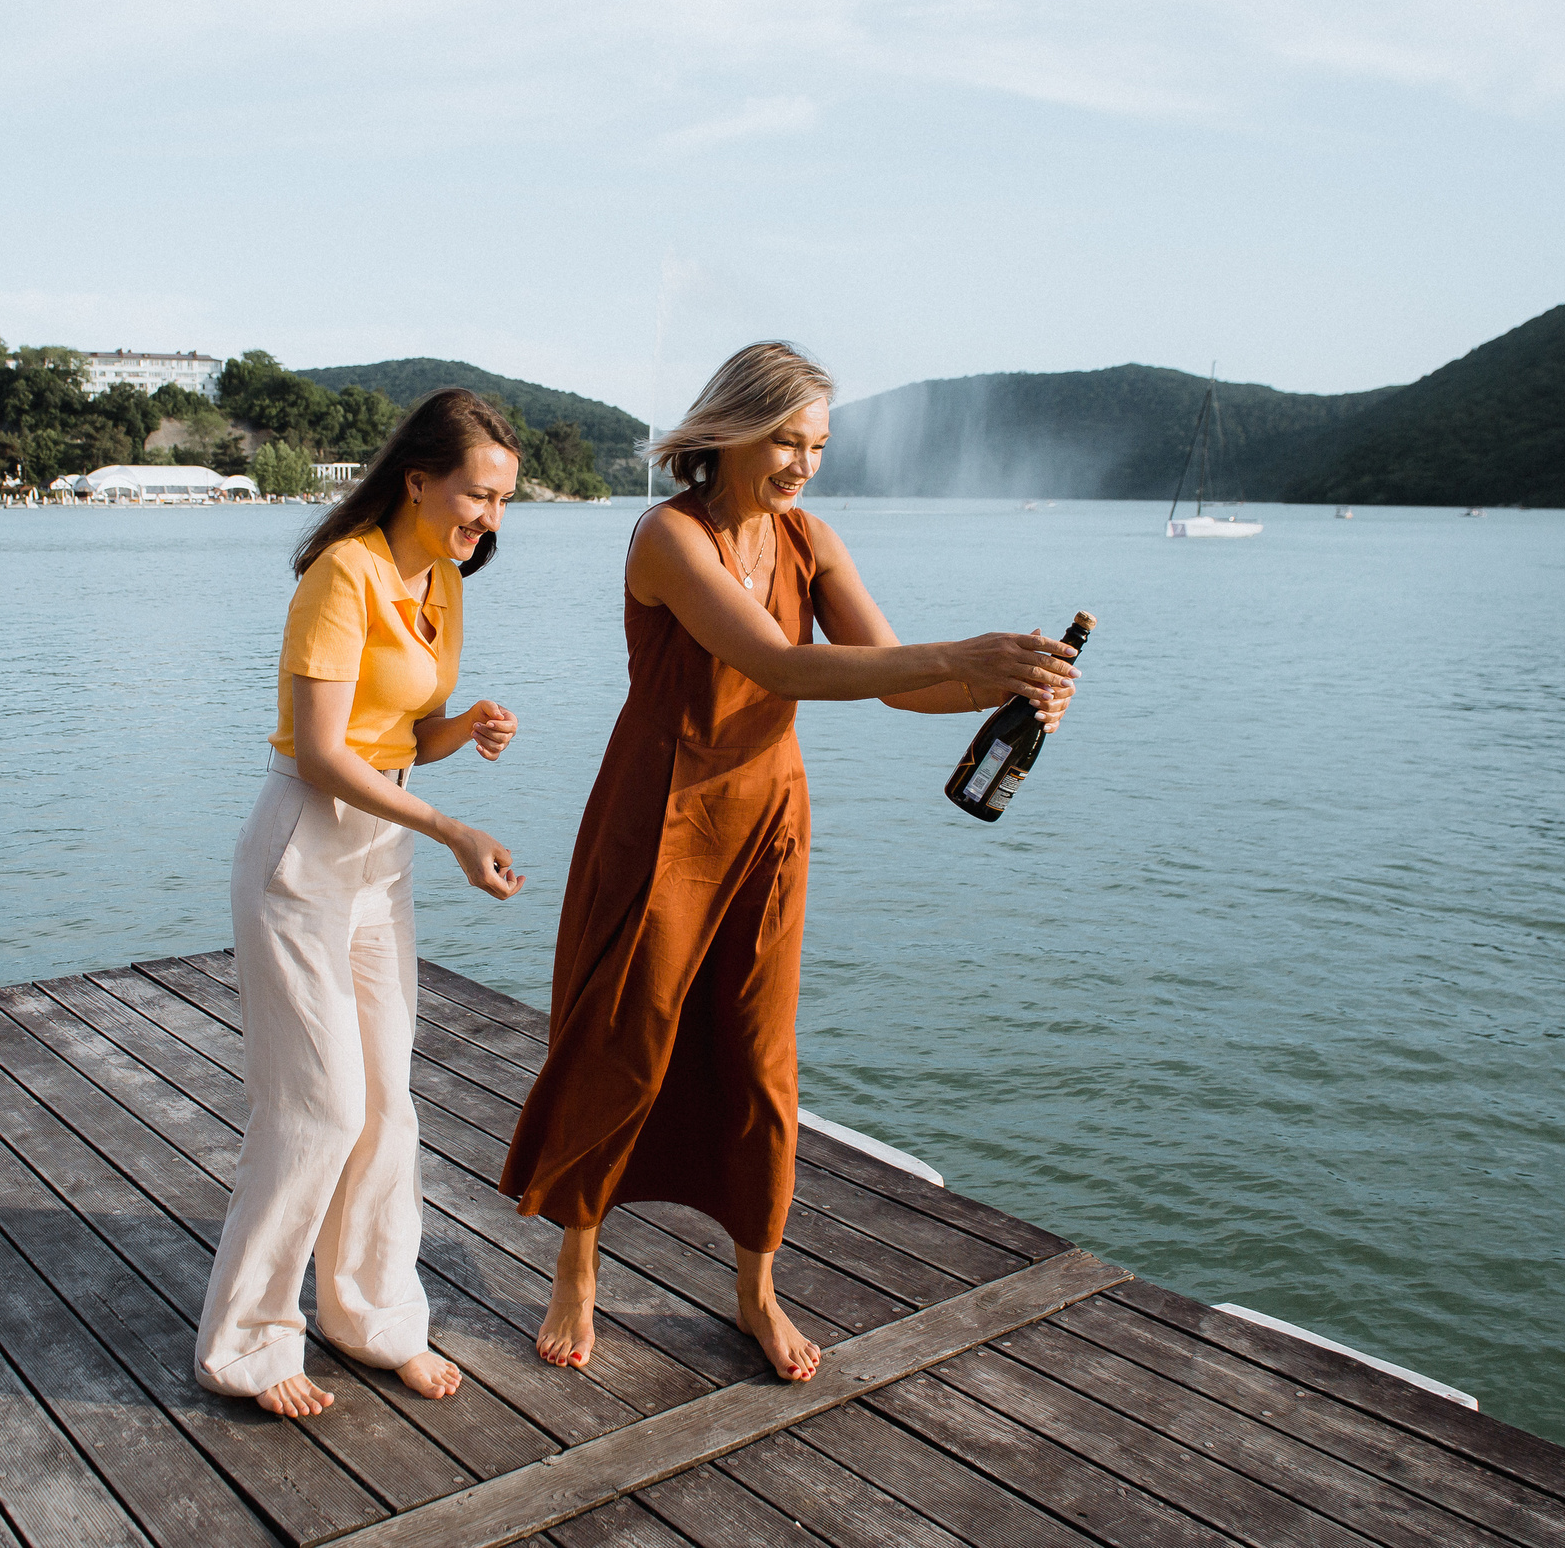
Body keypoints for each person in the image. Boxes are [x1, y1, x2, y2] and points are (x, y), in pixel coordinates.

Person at [498, 342, 1080, 1383]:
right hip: (662, 813)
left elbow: (901, 686)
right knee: (622, 1038)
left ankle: (755, 1292)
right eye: (785, 440)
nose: (802, 463)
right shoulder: (667, 536)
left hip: (767, 820)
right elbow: (778, 662)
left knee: (760, 1061)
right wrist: (963, 653)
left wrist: (1010, 688)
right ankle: (576, 1269)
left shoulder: (810, 537)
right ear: (728, 432)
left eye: (816, 445)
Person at [194, 388, 528, 1418]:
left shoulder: (440, 582)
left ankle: (371, 1316)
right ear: (417, 479)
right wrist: (453, 829)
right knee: (316, 1107)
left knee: (386, 1100)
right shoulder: (343, 574)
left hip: (376, 861)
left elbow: (395, 730)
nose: (490, 520)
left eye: (504, 502)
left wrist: (457, 724)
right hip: (302, 851)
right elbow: (325, 751)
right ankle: (247, 1341)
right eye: (477, 495)